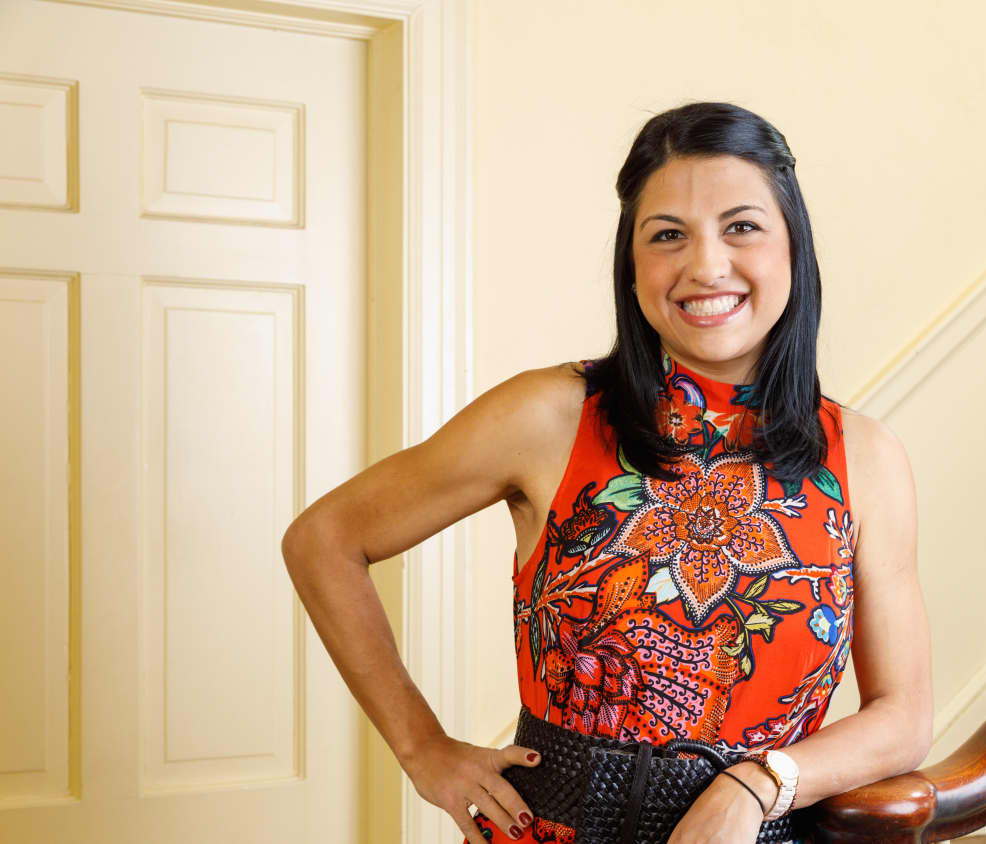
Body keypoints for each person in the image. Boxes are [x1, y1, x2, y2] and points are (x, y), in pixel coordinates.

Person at [282, 100, 932, 844]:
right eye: (667, 236)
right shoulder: (551, 414)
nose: (705, 266)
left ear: (794, 247)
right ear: (633, 263)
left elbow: (903, 716)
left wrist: (757, 786)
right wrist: (422, 749)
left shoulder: (865, 457)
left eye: (742, 226)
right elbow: (324, 539)